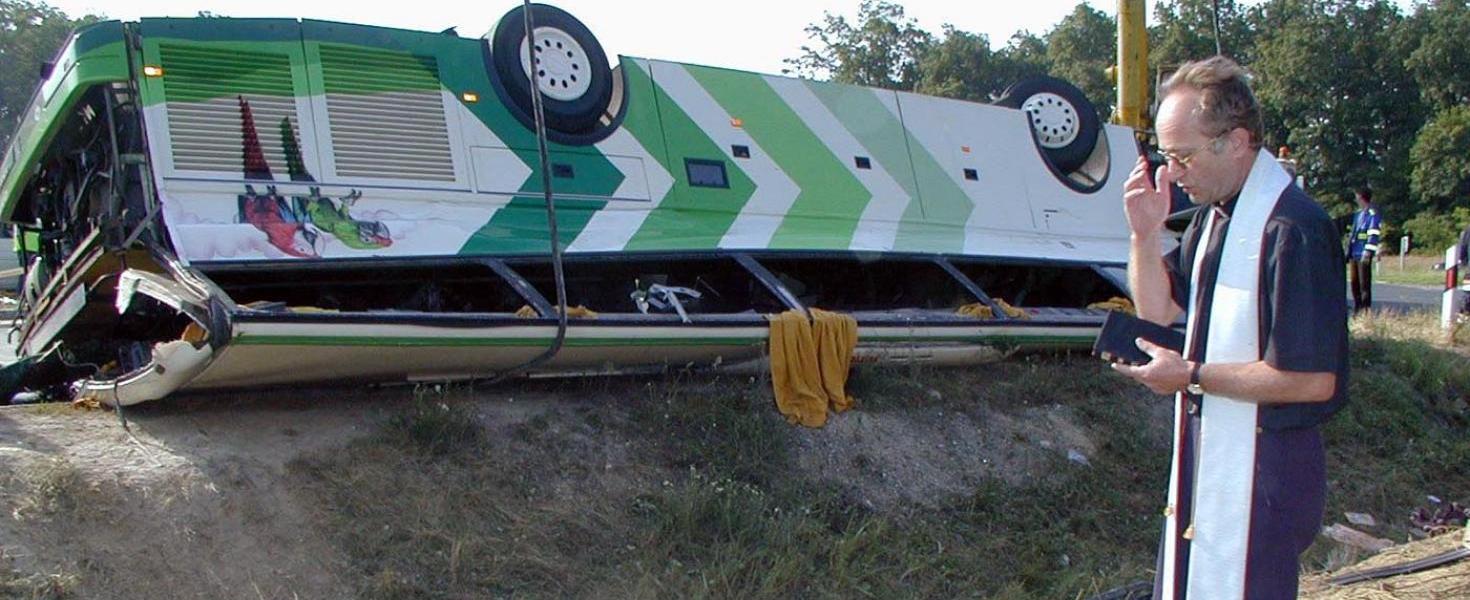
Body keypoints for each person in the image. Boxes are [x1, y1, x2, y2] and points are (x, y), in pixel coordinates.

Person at [1114, 56, 1349, 600]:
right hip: (1210, 449)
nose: (1172, 172)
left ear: (1237, 140)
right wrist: (1144, 235)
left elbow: (1312, 380)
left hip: (1265, 467)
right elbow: (1160, 311)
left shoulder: (1294, 229)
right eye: (1166, 156)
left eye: (1183, 155)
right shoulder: (1212, 220)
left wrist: (1191, 375)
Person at [1347, 188, 1382, 313]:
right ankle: (1357, 307)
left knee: (1364, 284)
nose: (1356, 199)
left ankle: (1365, 309)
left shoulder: (1372, 215)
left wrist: (1368, 252)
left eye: (1357, 197)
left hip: (1363, 253)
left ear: (1362, 198)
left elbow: (1373, 234)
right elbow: (1354, 234)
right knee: (1354, 282)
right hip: (1354, 253)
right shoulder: (1358, 215)